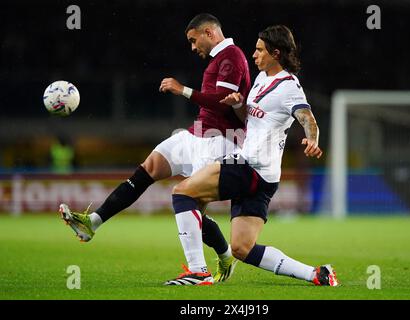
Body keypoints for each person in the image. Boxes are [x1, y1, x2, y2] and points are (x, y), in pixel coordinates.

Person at [59, 13, 251, 284]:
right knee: (149, 168)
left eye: (194, 41)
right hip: (196, 134)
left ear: (209, 32)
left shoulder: (232, 55)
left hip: (219, 140)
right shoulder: (219, 58)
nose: (193, 47)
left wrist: (181, 89)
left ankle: (203, 269)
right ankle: (93, 223)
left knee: (192, 205)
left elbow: (222, 103)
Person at [164, 25, 339, 286]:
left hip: (250, 167)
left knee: (182, 193)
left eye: (259, 50)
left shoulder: (289, 87)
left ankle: (198, 271)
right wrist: (237, 104)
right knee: (242, 248)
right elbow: (250, 119)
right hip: (265, 177)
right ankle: (316, 274)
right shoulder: (260, 79)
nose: (254, 55)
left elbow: (307, 117)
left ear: (276, 53)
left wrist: (312, 139)